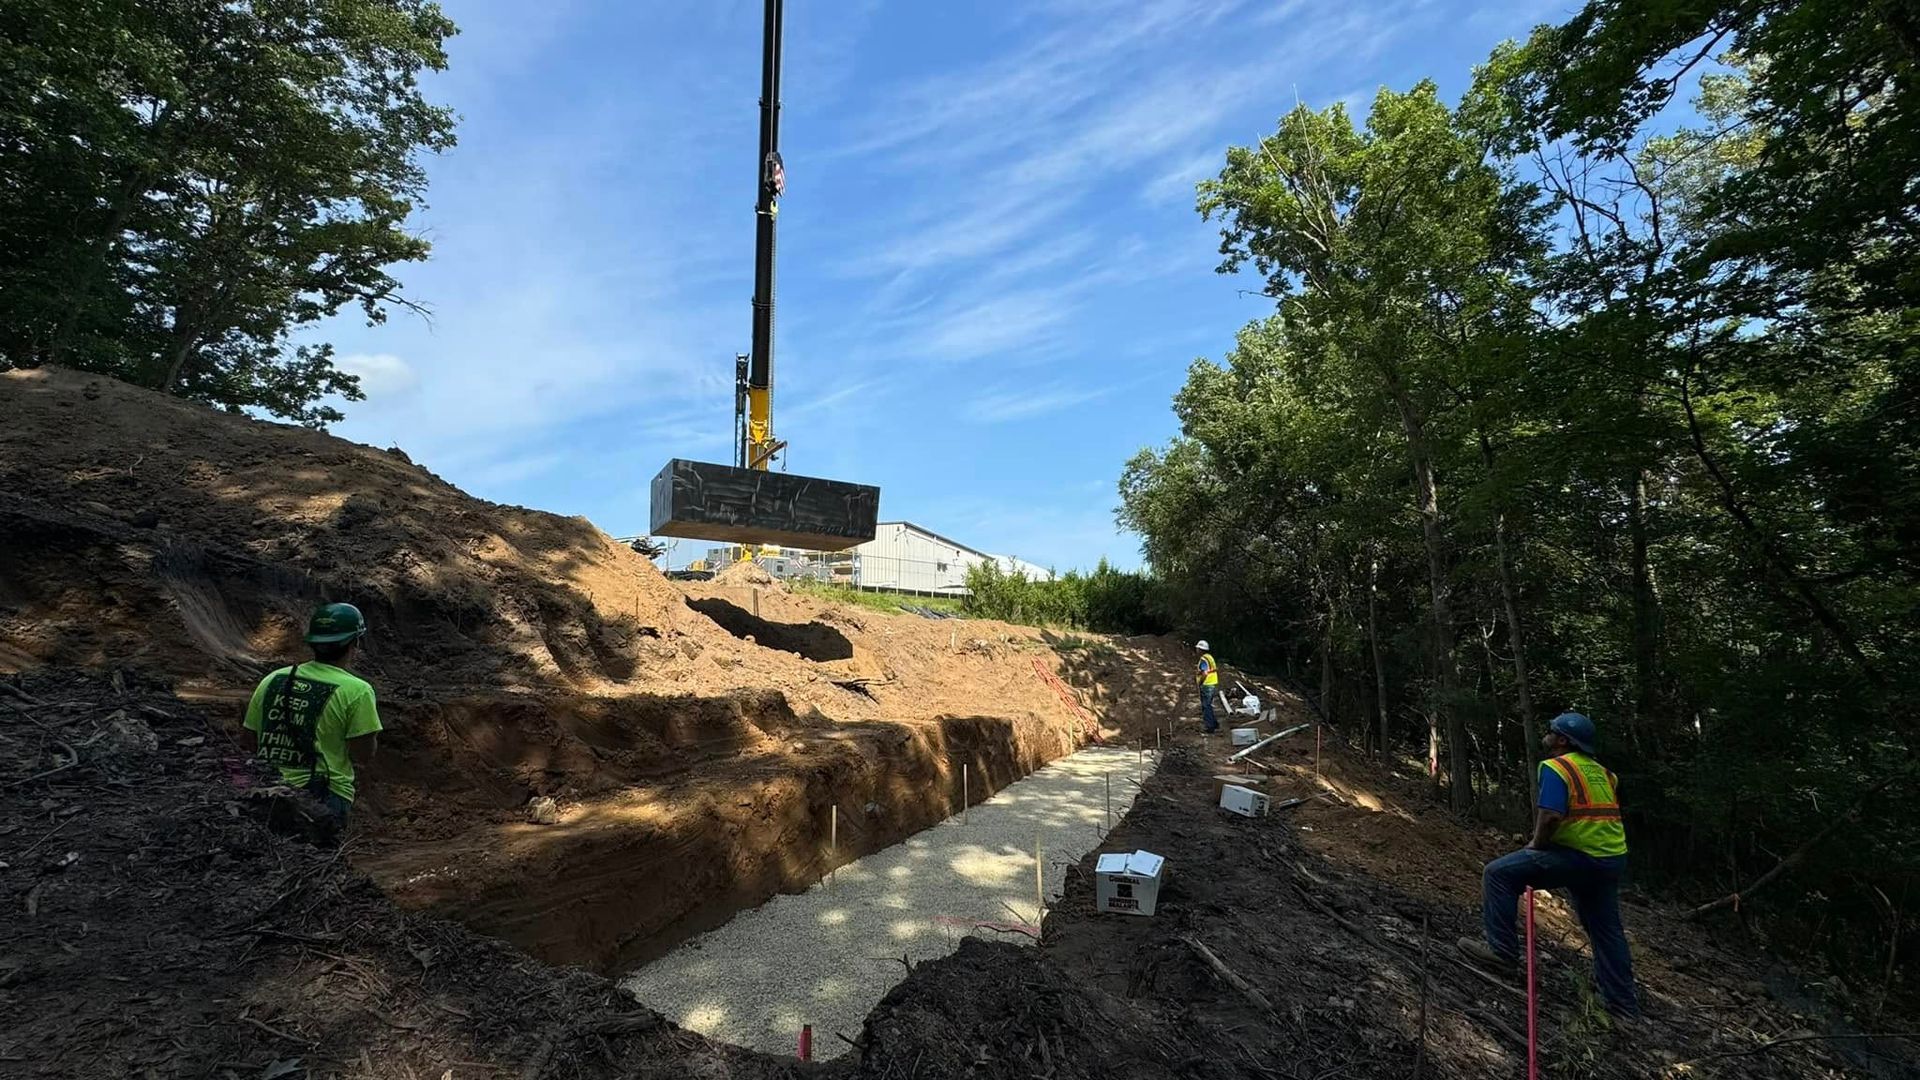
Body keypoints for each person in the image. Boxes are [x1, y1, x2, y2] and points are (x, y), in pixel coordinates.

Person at [1459, 712, 1640, 1019]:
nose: (1547, 733)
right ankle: (1623, 1006)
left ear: (1563, 740)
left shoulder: (1557, 767)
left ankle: (1501, 953)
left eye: (1552, 731)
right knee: (1606, 929)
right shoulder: (1605, 774)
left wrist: (1537, 844)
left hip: (1579, 856)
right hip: (1611, 858)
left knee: (1498, 874)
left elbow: (1551, 815)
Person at [240, 603, 382, 838]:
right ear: (355, 642)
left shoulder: (273, 680)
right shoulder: (357, 691)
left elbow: (248, 740)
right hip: (324, 798)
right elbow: (363, 755)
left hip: (267, 793)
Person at [1195, 640, 1220, 735]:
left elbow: (1205, 673)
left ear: (1201, 649)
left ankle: (1210, 727)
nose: (1196, 649)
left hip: (1207, 684)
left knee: (1206, 706)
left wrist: (1200, 682)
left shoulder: (1204, 659)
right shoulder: (1210, 657)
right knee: (1208, 704)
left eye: (1197, 648)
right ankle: (1214, 724)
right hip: (1212, 683)